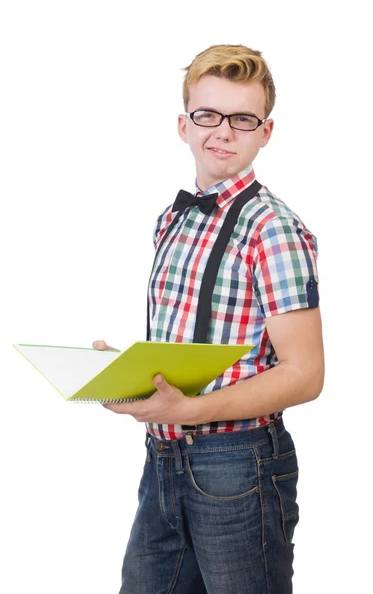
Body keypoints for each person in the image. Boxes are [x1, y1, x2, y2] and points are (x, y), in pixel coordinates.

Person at [93, 43, 324, 594]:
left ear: (265, 132)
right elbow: (188, 344)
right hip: (162, 459)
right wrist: (127, 373)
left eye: (242, 119)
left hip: (238, 467)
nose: (223, 130)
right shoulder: (172, 218)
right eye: (208, 115)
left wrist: (189, 408)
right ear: (184, 124)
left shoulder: (273, 230)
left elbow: (305, 374)